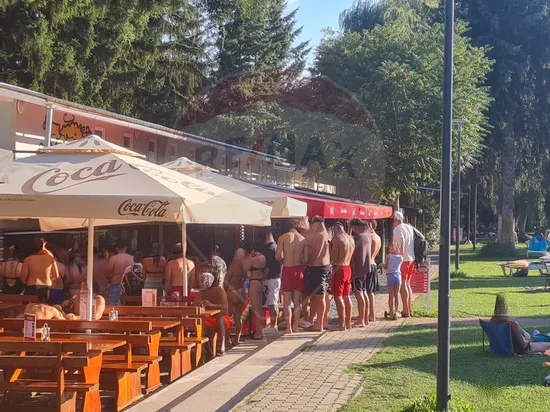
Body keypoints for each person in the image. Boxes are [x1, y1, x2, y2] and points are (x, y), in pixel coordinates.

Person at [276, 219, 309, 334]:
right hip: (298, 269)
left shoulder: (283, 237)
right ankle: (295, 326)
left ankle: (288, 327)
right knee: (297, 300)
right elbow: (306, 259)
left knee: (287, 301)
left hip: (288, 269)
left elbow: (277, 256)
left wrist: (284, 260)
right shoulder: (303, 239)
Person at [303, 216, 331, 332]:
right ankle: (323, 322)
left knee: (320, 297)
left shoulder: (319, 236)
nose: (311, 228)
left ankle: (319, 324)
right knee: (323, 296)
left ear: (316, 224)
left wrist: (306, 254)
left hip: (318, 268)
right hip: (325, 267)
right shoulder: (326, 234)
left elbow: (315, 254)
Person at [195, 272, 230, 356]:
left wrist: (212, 305)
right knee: (200, 326)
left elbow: (225, 306)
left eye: (204, 280)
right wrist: (198, 302)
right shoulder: (201, 292)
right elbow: (195, 303)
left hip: (223, 317)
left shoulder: (219, 290)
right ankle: (209, 351)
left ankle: (222, 346)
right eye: (201, 280)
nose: (202, 282)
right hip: (208, 318)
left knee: (220, 321)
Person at [330, 222, 355, 331]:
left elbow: (333, 257)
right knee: (346, 295)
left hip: (339, 268)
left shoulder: (337, 239)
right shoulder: (350, 239)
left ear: (335, 229)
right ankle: (348, 323)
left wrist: (330, 247)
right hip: (348, 267)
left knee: (338, 296)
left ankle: (341, 324)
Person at [20, 237, 59, 302]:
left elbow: (23, 277)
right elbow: (56, 275)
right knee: (44, 306)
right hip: (46, 286)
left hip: (32, 286)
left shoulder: (28, 260)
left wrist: (29, 280)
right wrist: (48, 278)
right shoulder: (50, 258)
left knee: (32, 306)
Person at [392, 211, 415, 317]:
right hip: (411, 258)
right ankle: (409, 308)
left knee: (403, 285)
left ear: (395, 220)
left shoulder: (397, 229)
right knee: (408, 284)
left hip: (403, 259)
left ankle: (405, 310)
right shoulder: (409, 227)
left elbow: (401, 244)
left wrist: (396, 254)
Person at [350, 219, 371, 328]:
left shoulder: (359, 238)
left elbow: (351, 249)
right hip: (365, 268)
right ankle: (365, 318)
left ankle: (361, 320)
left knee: (359, 294)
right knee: (364, 292)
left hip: (357, 269)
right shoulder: (367, 236)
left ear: (354, 227)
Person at [224, 248, 248, 344]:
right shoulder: (245, 266)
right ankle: (237, 339)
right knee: (238, 317)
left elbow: (226, 280)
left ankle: (227, 339)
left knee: (227, 317)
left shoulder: (233, 265)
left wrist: (224, 291)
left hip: (232, 292)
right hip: (241, 292)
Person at [244, 244, 266, 340]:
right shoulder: (262, 257)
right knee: (260, 308)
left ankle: (258, 333)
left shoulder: (252, 259)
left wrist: (247, 258)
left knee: (256, 309)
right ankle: (260, 330)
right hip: (260, 281)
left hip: (253, 282)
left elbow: (245, 269)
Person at [262, 230, 282, 335]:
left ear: (266, 236)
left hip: (271, 279)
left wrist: (264, 277)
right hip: (277, 278)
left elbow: (267, 266)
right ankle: (274, 325)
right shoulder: (276, 246)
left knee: (271, 303)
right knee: (274, 302)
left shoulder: (269, 249)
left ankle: (273, 326)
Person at [106, 240, 134, 306]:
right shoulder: (132, 258)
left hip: (116, 282)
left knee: (113, 305)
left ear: (116, 248)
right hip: (128, 285)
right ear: (126, 248)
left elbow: (108, 273)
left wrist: (109, 280)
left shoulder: (113, 258)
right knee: (127, 305)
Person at [367, 220, 382, 322]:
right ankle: (370, 313)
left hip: (368, 265)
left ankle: (370, 314)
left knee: (367, 291)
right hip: (374, 264)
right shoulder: (378, 237)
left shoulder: (371, 237)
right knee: (370, 291)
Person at [383, 247, 403, 319]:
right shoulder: (401, 257)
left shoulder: (388, 256)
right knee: (397, 295)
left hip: (390, 275)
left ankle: (391, 312)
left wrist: (382, 264)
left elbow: (385, 267)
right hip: (398, 276)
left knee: (391, 296)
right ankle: (397, 311)